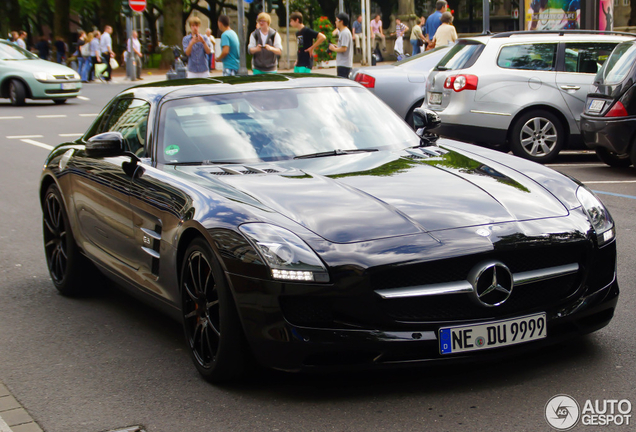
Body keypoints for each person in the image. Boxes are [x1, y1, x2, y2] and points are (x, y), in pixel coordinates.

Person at [329, 13, 353, 78]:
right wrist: (337, 47)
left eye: (337, 20)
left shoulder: (345, 33)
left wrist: (333, 49)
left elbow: (344, 48)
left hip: (344, 65)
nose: (335, 22)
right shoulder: (343, 32)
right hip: (342, 63)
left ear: (341, 21)